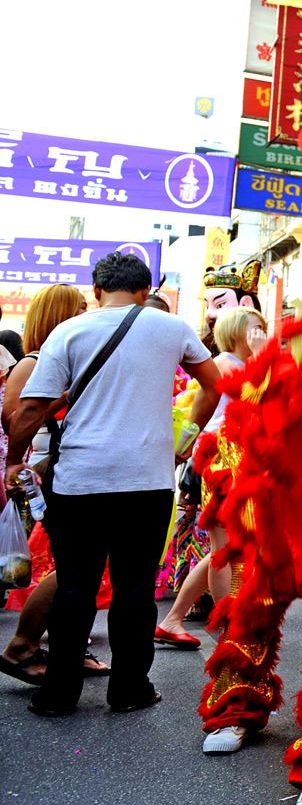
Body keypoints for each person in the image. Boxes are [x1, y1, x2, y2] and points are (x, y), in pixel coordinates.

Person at [5, 252, 220, 717]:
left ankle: (58, 693)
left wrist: (14, 460)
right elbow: (214, 384)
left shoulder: (70, 331)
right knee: (135, 589)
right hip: (146, 482)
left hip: (80, 482)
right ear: (145, 291)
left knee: (75, 589)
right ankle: (129, 689)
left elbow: (29, 409)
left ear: (97, 291)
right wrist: (185, 436)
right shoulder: (173, 328)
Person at [0, 284, 103, 686]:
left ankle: (62, 648)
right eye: (78, 308)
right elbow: (14, 421)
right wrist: (61, 398)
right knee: (76, 567)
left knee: (80, 568)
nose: (87, 313)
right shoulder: (32, 361)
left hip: (70, 467)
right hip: (47, 470)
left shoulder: (70, 356)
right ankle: (22, 646)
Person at [153, 307, 268, 655]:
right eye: (254, 328)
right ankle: (229, 626)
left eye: (262, 328)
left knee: (225, 548)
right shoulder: (225, 364)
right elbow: (261, 403)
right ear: (235, 331)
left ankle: (173, 619)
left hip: (240, 462)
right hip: (223, 462)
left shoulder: (240, 364)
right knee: (225, 550)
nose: (260, 333)